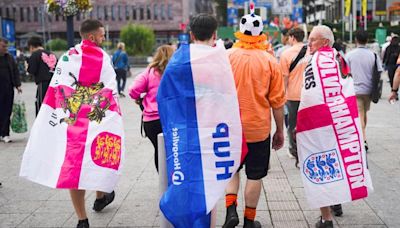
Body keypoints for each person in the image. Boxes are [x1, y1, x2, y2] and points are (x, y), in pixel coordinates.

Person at [20, 19, 125, 228]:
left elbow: (57, 89)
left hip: (73, 124)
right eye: (102, 35)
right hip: (96, 120)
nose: (104, 39)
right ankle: (101, 195)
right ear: (92, 37)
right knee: (99, 157)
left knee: (74, 167)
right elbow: (110, 91)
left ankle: (82, 219)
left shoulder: (68, 57)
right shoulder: (103, 58)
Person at [223, 9, 285, 228]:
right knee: (255, 175)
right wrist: (280, 130)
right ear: (261, 32)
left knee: (231, 170)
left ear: (240, 31)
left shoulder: (227, 57)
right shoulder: (270, 62)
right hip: (258, 129)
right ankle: (249, 221)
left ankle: (231, 210)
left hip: (230, 127)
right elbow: (277, 102)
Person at [128, 45, 174, 172]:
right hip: (171, 119)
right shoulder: (175, 71)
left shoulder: (150, 71)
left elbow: (133, 90)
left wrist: (139, 98)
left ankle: (162, 182)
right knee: (173, 150)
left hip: (152, 121)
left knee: (158, 149)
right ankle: (173, 180)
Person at [345, 30, 383, 152]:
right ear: (367, 40)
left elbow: (345, 72)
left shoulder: (350, 55)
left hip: (354, 89)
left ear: (356, 40)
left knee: (360, 113)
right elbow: (379, 71)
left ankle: (362, 139)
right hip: (369, 90)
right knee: (363, 113)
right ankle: (363, 136)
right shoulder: (373, 55)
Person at [279, 27, 307, 163]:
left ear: (292, 38)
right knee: (308, 123)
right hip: (309, 94)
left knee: (292, 124)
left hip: (292, 95)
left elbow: (284, 77)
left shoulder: (286, 54)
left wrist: (281, 94)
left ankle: (294, 149)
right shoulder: (311, 52)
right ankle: (308, 148)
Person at [27, 36, 57, 115]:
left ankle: (41, 125)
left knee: (42, 105)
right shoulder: (52, 54)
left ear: (31, 46)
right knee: (53, 106)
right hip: (55, 83)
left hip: (43, 83)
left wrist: (27, 67)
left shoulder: (35, 55)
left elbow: (32, 70)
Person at [0, 37, 22, 143]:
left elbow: (15, 71)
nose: (5, 49)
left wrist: (18, 85)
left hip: (8, 89)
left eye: (6, 46)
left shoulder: (9, 58)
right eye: (3, 46)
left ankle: (5, 133)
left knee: (7, 111)